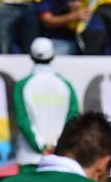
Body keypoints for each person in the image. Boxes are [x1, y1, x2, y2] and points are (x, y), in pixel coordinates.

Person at [12, 38, 79, 172]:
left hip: (30, 158)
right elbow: (73, 119)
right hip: (59, 158)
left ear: (31, 56)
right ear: (53, 56)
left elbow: (23, 120)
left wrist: (41, 147)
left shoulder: (22, 86)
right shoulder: (66, 85)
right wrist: (56, 146)